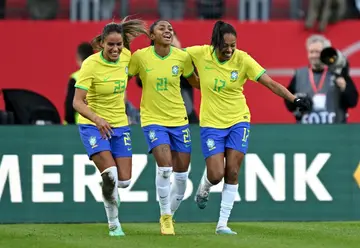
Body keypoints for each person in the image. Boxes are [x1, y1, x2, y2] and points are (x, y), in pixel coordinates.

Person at [185, 21, 310, 235]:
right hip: (211, 123)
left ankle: (222, 224)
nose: (230, 50)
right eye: (226, 46)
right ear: (215, 43)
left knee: (232, 171)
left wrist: (293, 98)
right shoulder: (198, 53)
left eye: (233, 45)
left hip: (238, 120)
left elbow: (270, 82)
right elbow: (173, 57)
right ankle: (205, 186)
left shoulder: (242, 59)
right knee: (216, 174)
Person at [72, 17, 148, 237]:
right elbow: (77, 102)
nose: (115, 49)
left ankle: (109, 190)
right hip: (93, 125)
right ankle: (114, 223)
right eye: (111, 44)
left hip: (119, 125)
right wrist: (97, 119)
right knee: (111, 175)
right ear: (102, 44)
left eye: (119, 44)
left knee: (123, 182)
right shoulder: (91, 65)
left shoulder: (126, 58)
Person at [128, 20, 199, 235]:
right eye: (162, 29)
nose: (168, 32)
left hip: (179, 120)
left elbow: (196, 81)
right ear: (151, 35)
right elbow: (122, 77)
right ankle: (166, 216)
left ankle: (169, 214)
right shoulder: (140, 57)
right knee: (165, 168)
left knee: (181, 177)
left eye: (170, 29)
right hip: (153, 120)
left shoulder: (182, 57)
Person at [284, 34, 358, 124]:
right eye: (311, 52)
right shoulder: (300, 75)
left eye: (317, 52)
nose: (314, 56)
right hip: (307, 132)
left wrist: (344, 87)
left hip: (334, 132)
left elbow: (353, 101)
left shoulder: (337, 73)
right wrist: (297, 99)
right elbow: (289, 104)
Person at [135, 31, 199, 123]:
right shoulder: (148, 62)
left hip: (185, 116)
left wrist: (177, 54)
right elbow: (140, 81)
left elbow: (192, 81)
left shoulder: (184, 60)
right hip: (155, 116)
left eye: (171, 39)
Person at [64, 42, 94, 125]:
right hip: (101, 124)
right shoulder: (101, 75)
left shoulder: (76, 78)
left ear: (78, 57)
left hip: (80, 125)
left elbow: (70, 107)